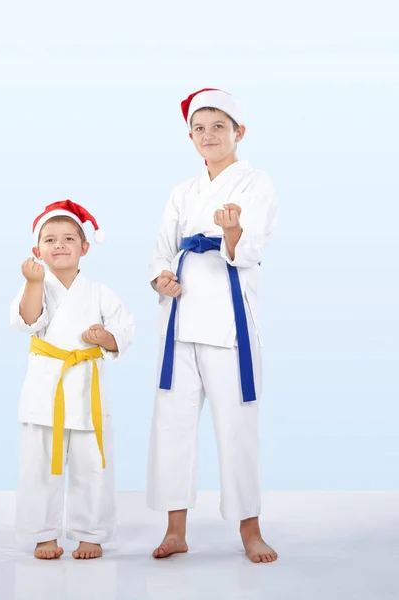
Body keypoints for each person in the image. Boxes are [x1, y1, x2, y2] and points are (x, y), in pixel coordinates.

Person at [147, 88, 278, 563]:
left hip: (228, 325)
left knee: (236, 426)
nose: (208, 135)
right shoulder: (183, 190)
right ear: (190, 136)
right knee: (172, 424)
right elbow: (162, 246)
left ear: (238, 132)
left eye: (218, 126)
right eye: (199, 128)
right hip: (179, 323)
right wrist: (161, 277)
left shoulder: (255, 183)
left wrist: (231, 231)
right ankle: (175, 530)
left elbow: (250, 250)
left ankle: (250, 530)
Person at [10, 200, 134, 560]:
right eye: (50, 240)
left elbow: (124, 330)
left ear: (84, 247)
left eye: (68, 238)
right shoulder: (35, 284)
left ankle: (90, 533)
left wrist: (104, 338)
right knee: (38, 468)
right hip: (43, 392)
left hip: (86, 391)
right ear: (37, 251)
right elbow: (28, 321)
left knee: (91, 466)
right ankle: (43, 533)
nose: (59, 245)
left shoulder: (99, 292)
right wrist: (33, 282)